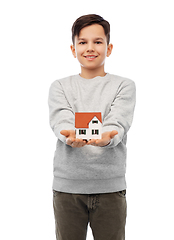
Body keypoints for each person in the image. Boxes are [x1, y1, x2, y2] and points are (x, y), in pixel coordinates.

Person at [48, 14, 136, 240]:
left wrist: (108, 136)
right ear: (73, 48)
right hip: (68, 189)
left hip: (110, 188)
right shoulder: (60, 86)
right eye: (83, 42)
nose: (90, 48)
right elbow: (62, 119)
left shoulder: (124, 85)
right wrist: (67, 134)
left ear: (109, 48)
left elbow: (118, 121)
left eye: (98, 42)